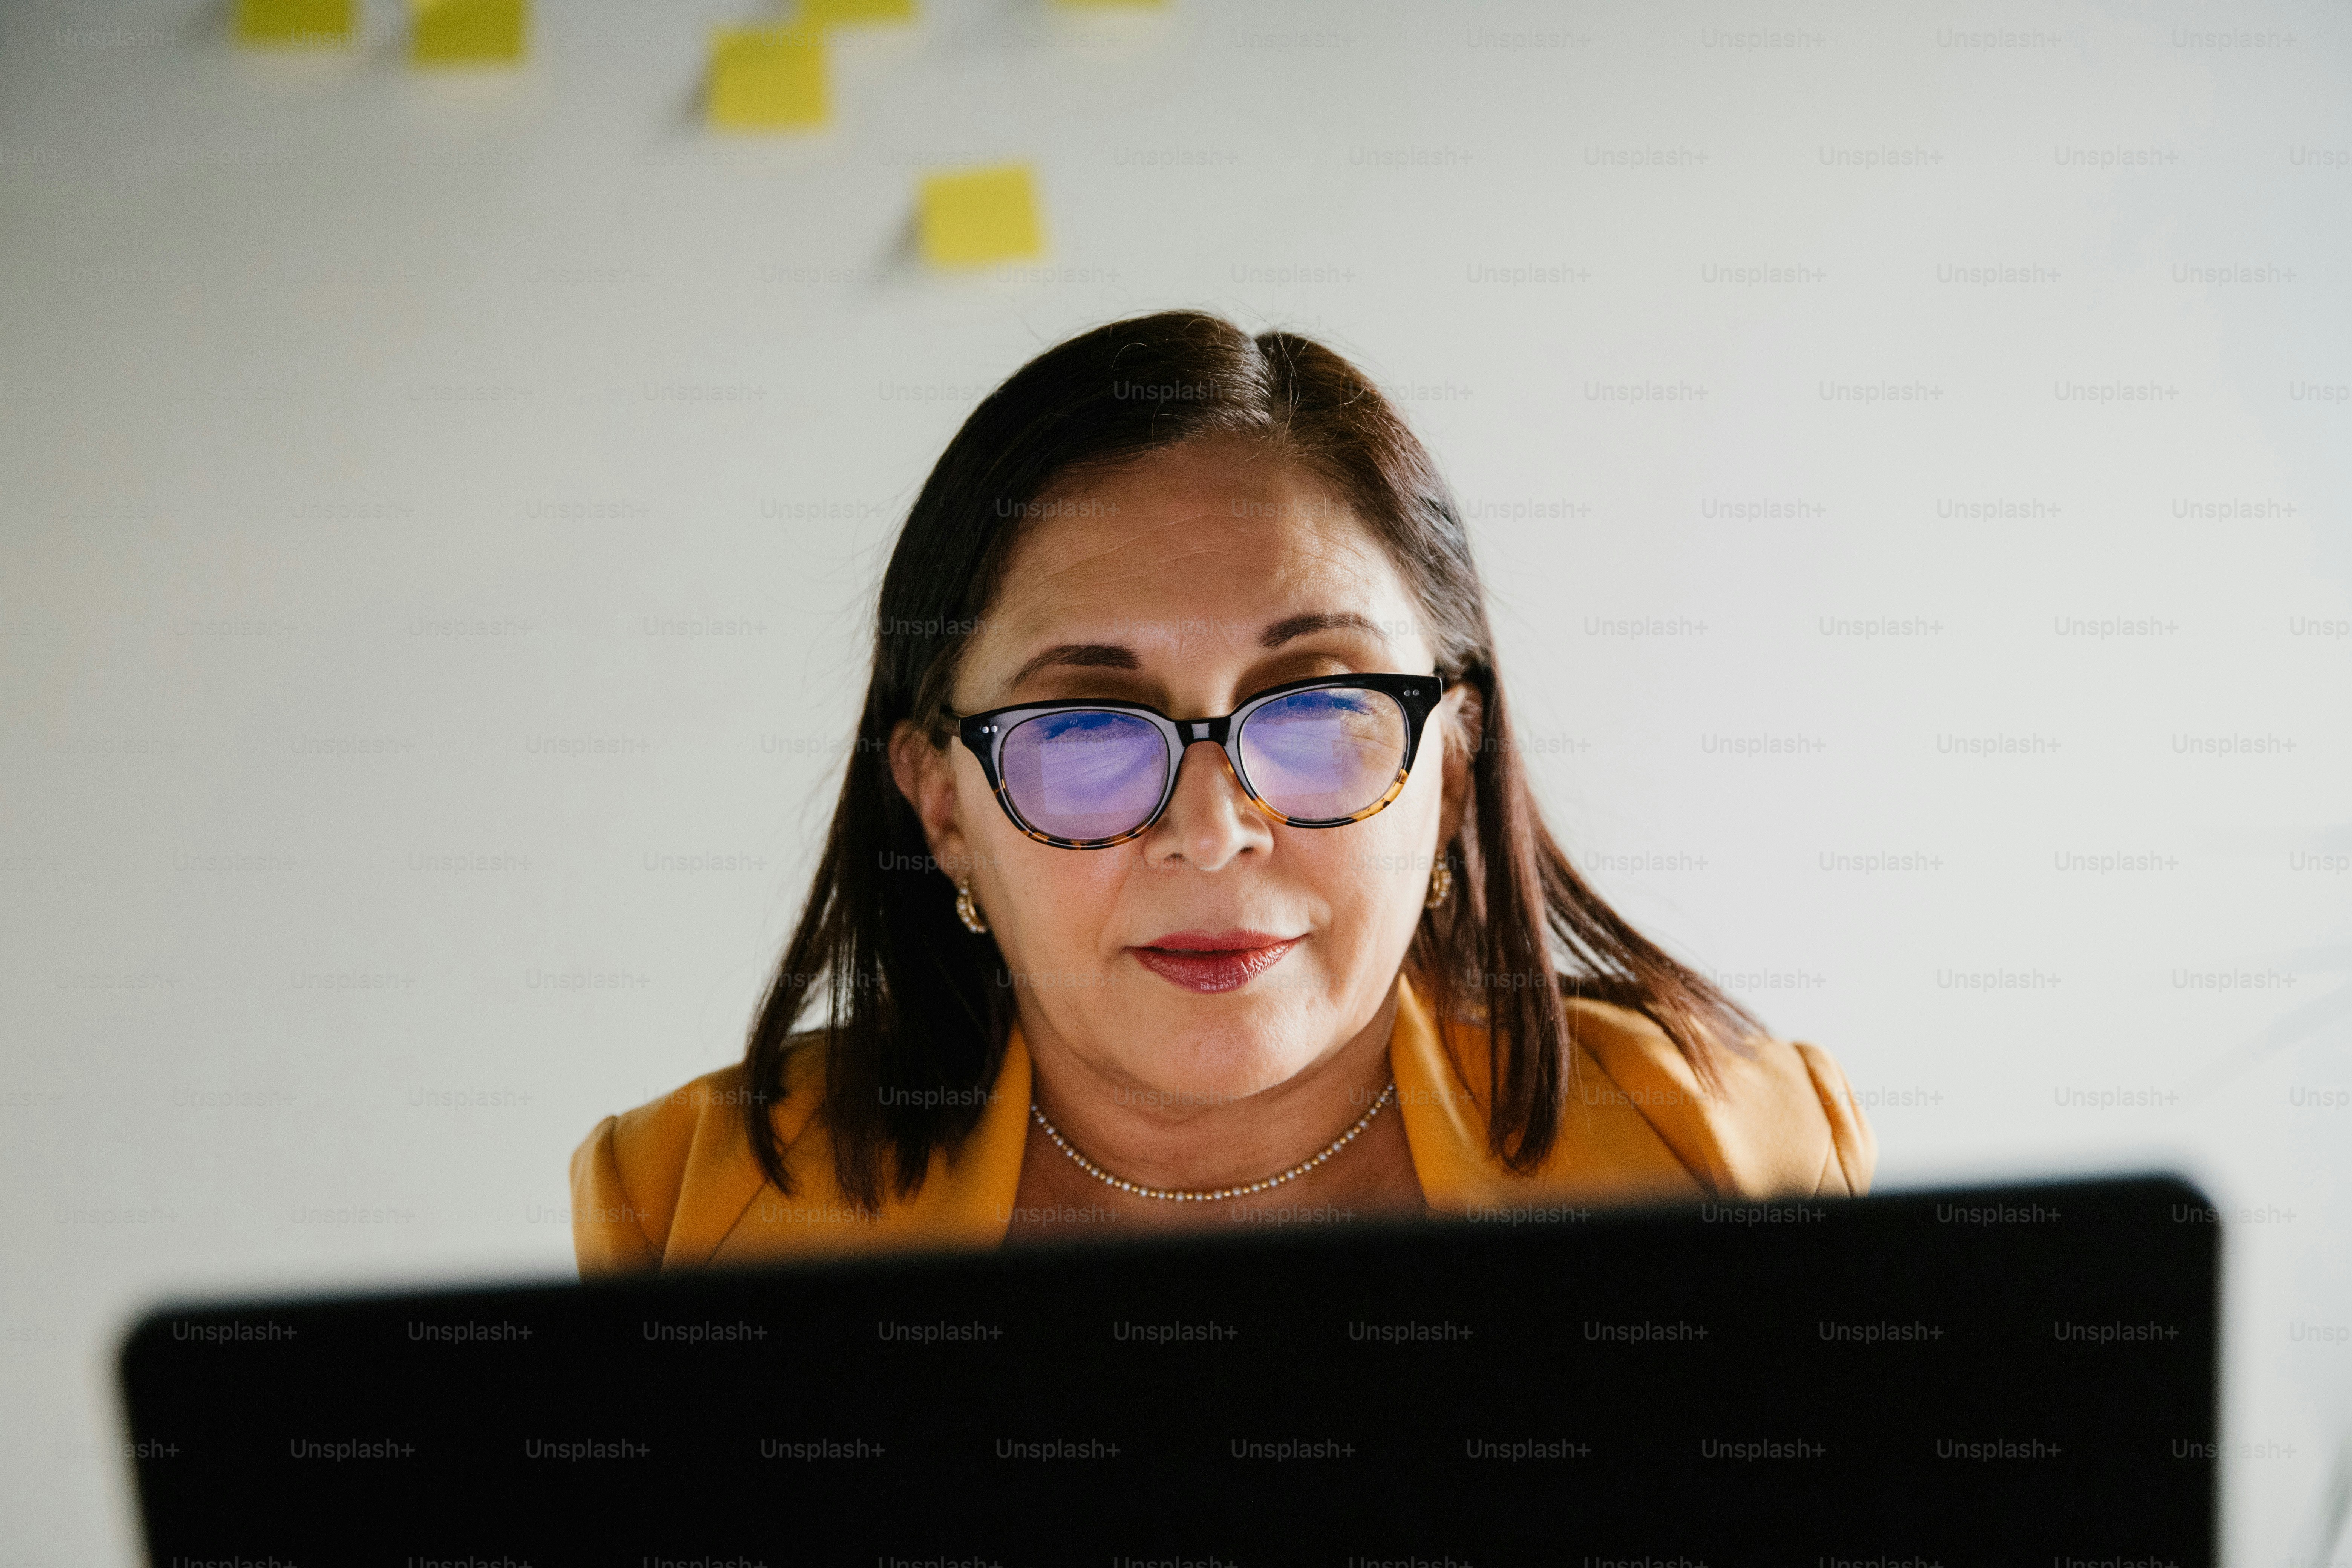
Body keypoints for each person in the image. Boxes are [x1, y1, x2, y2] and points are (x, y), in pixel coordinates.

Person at [570, 312, 1874, 1274]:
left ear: (1453, 766)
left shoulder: (1728, 1152)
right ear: (945, 811)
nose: (1209, 832)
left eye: (1316, 711)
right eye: (1088, 729)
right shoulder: (689, 1210)